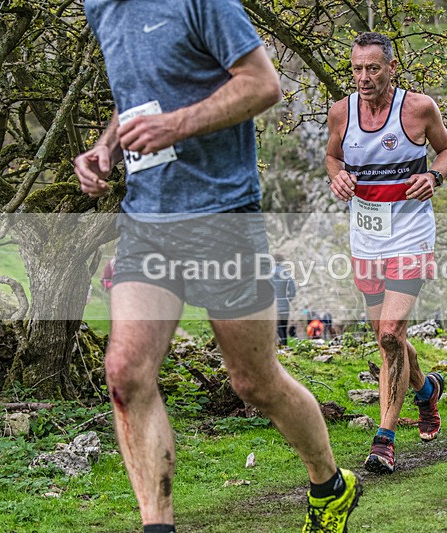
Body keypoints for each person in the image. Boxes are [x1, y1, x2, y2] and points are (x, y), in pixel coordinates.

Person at [76, 2, 361, 532]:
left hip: (222, 216)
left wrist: (176, 127)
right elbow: (136, 93)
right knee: (125, 373)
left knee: (254, 383)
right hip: (146, 218)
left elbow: (262, 84)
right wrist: (105, 147)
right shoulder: (102, 7)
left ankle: (330, 484)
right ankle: (157, 524)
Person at [325, 32, 447, 474]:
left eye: (373, 68)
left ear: (392, 68)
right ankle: (426, 392)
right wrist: (337, 177)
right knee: (389, 338)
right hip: (366, 238)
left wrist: (434, 177)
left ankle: (384, 439)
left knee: (388, 334)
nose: (363, 78)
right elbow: (332, 158)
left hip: (410, 234)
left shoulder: (418, 109)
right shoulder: (341, 112)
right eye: (357, 69)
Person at [271, 254, 297, 346]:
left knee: (278, 328)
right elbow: (293, 291)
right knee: (284, 327)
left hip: (274, 306)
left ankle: (283, 347)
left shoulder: (270, 273)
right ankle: (285, 346)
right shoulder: (286, 273)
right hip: (285, 306)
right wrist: (287, 300)